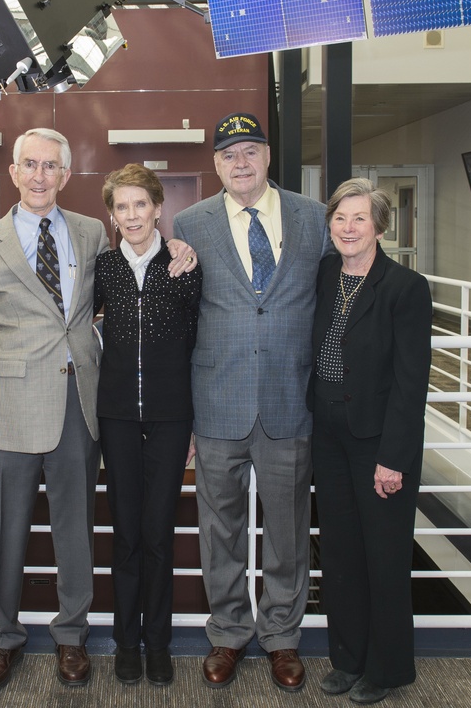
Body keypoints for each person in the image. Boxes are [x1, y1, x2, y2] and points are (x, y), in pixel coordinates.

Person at [0, 128, 198, 691]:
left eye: (52, 166)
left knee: (77, 533)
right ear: (14, 171)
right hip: (9, 408)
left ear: (67, 176)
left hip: (83, 406)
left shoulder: (93, 233)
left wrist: (181, 246)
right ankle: (3, 638)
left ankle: (72, 636)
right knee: (5, 535)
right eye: (30, 164)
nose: (41, 175)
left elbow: (140, 260)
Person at [173, 113, 328, 693]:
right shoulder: (190, 222)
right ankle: (229, 632)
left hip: (291, 399)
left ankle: (283, 636)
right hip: (216, 403)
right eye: (229, 153)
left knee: (288, 528)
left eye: (251, 151)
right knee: (220, 530)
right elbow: (183, 317)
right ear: (215, 164)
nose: (241, 162)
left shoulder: (313, 219)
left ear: (268, 157)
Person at [309, 179, 431, 705]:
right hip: (329, 436)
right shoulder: (326, 273)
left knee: (383, 559)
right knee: (338, 555)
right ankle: (348, 659)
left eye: (360, 218)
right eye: (340, 218)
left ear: (380, 226)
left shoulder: (405, 288)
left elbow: (411, 383)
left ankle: (386, 669)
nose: (349, 228)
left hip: (379, 443)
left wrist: (394, 459)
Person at [94, 164, 202, 687]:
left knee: (160, 535)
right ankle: (126, 642)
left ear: (159, 208)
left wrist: (197, 424)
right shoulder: (104, 268)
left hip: (170, 416)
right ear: (111, 216)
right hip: (116, 416)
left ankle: (158, 643)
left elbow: (199, 344)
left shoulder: (184, 265)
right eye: (121, 207)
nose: (132, 215)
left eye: (140, 205)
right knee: (126, 537)